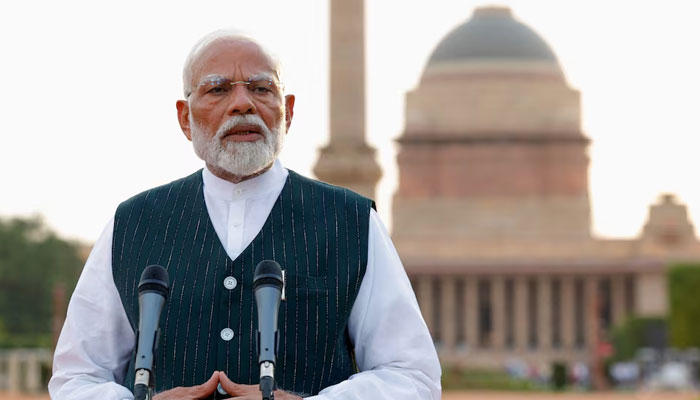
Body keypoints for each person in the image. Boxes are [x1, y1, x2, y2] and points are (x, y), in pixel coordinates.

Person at [49, 31, 441, 400]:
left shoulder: (349, 222)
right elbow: (76, 377)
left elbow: (412, 374)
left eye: (260, 88)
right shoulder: (133, 224)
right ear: (185, 118)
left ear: (287, 111)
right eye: (218, 89)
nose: (243, 104)